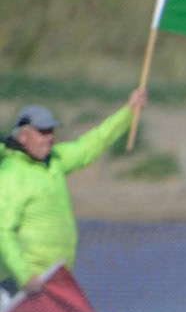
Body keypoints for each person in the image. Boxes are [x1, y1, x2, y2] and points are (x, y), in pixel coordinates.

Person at [0, 91, 146, 296]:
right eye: (42, 132)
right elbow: (3, 232)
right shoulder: (11, 175)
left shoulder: (54, 161)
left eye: (51, 131)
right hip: (20, 283)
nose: (49, 138)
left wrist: (129, 112)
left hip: (53, 279)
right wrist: (24, 276)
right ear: (23, 136)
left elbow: (90, 145)